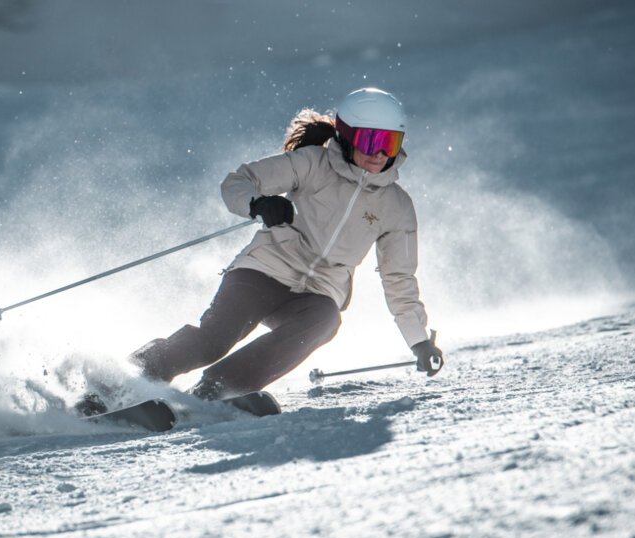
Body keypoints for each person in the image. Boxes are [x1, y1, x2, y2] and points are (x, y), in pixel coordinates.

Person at [131, 87, 443, 400]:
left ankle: (219, 391)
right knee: (214, 341)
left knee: (326, 319)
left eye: (390, 143)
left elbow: (399, 278)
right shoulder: (313, 163)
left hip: (317, 293)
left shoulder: (397, 206)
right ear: (347, 137)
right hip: (263, 271)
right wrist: (257, 204)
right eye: (371, 141)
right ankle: (135, 375)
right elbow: (238, 182)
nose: (380, 154)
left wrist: (419, 341)